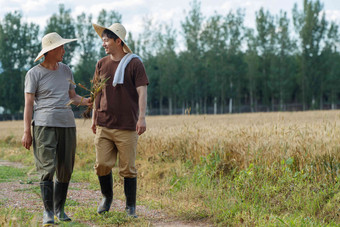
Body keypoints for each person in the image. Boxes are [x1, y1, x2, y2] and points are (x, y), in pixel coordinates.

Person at [21, 32, 91, 226]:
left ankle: (60, 210)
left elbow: (73, 96)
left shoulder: (67, 70)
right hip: (44, 125)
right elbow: (28, 104)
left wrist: (87, 101)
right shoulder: (34, 74)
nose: (64, 50)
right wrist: (27, 131)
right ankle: (48, 212)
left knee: (65, 168)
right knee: (47, 168)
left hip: (67, 124)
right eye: (61, 47)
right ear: (50, 51)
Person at [91, 22, 148, 218]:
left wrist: (142, 118)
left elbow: (142, 92)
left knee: (128, 169)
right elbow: (96, 93)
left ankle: (130, 206)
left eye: (106, 40)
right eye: (103, 41)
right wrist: (93, 118)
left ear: (118, 41)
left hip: (127, 126)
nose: (104, 44)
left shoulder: (135, 64)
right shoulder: (101, 64)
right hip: (104, 124)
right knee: (102, 165)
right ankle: (107, 197)